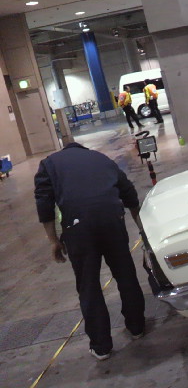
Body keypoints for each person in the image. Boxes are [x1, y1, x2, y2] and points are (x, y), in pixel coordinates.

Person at [34, 142, 146, 360]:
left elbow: (44, 203)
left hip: (78, 229)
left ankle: (101, 346)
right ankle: (137, 327)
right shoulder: (101, 158)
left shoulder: (49, 164)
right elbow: (129, 192)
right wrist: (141, 226)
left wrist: (53, 241)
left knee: (89, 285)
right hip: (112, 221)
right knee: (125, 274)